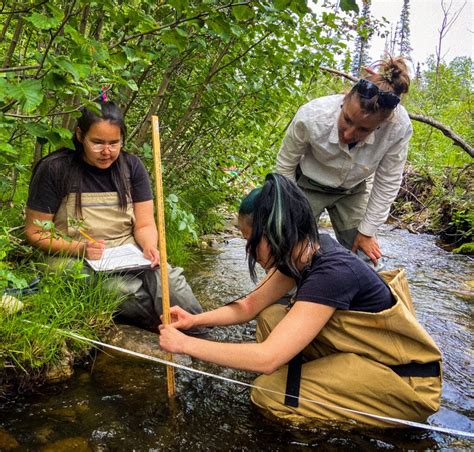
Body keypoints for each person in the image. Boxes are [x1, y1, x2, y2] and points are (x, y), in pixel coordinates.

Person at [159, 173, 442, 427]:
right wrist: (193, 320)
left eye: (250, 239)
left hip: (405, 381)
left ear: (275, 232)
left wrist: (186, 345)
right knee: (270, 317)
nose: (249, 249)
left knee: (267, 393)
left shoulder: (332, 272)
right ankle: (310, 386)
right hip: (367, 355)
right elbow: (249, 306)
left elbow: (267, 358)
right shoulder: (304, 250)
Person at [25, 100, 205, 333]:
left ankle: (200, 336)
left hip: (126, 251)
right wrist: (80, 249)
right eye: (97, 143)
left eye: (114, 143)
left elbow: (145, 223)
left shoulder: (132, 167)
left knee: (172, 285)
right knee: (125, 290)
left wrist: (150, 245)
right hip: (71, 255)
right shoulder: (55, 169)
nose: (107, 151)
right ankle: (166, 329)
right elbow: (35, 231)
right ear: (80, 136)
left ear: (122, 140)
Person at [276, 56, 412, 267]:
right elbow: (285, 167)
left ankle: (362, 299)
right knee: (290, 250)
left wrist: (367, 232)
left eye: (363, 129)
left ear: (382, 123)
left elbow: (387, 182)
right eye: (347, 120)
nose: (349, 134)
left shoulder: (398, 127)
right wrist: (293, 216)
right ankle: (286, 298)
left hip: (354, 190)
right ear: (345, 98)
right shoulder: (312, 116)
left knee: (365, 257)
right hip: (307, 186)